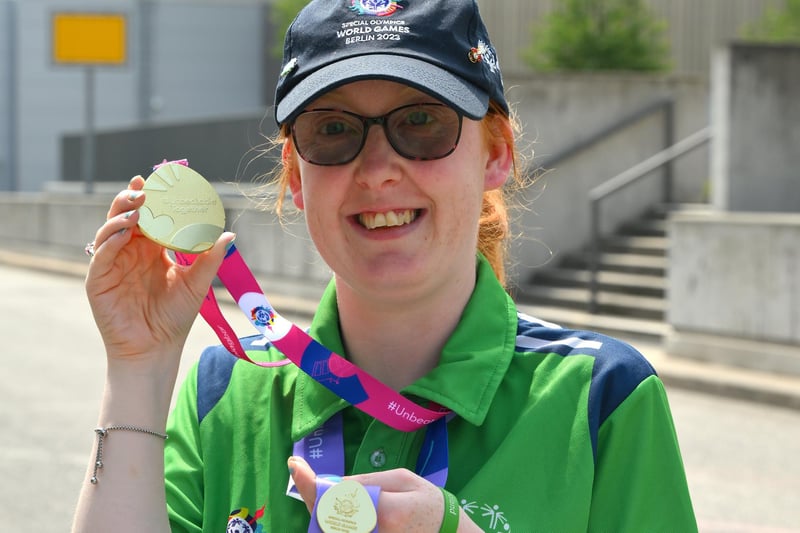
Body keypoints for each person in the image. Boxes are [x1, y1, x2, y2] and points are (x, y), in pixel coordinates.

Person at [73, 0, 697, 531]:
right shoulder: (225, 394)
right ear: (295, 175)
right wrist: (138, 367)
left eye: (421, 123)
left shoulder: (602, 399)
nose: (377, 170)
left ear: (495, 154)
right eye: (335, 130)